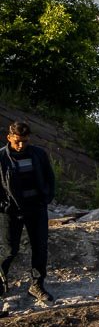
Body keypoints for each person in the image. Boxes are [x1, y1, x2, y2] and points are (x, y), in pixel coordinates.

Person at [0, 122, 56, 305]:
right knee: (9, 250)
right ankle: (1, 282)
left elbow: (49, 178)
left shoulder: (38, 154)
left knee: (40, 247)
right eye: (17, 141)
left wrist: (46, 198)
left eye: (24, 141)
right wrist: (4, 205)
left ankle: (37, 285)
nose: (21, 145)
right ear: (9, 138)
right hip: (10, 210)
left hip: (36, 208)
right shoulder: (1, 157)